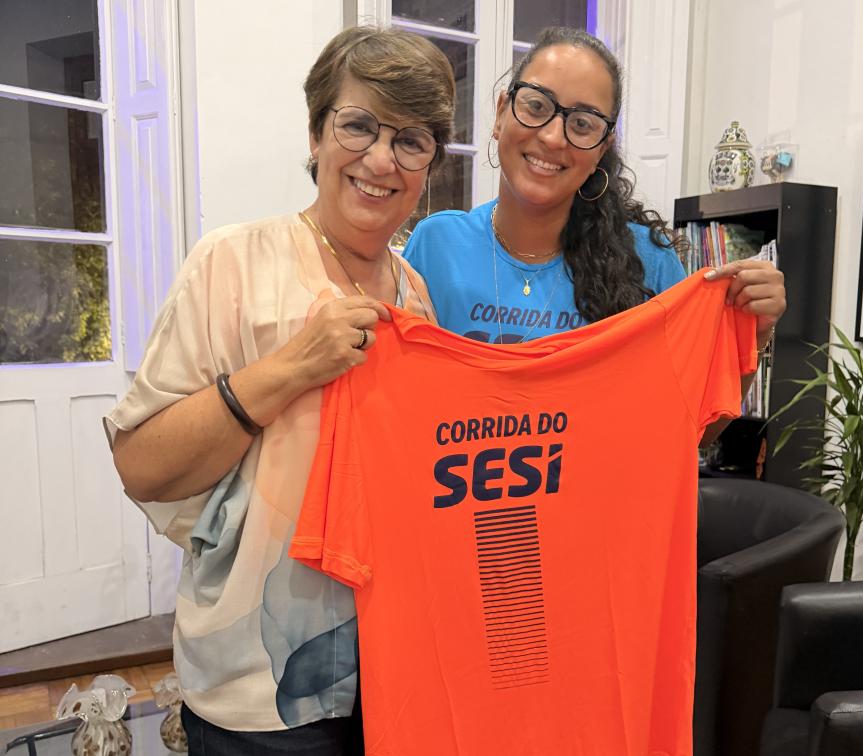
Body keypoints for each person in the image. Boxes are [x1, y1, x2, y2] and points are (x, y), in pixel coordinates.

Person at [105, 27, 454, 755]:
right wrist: (293, 366)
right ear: (317, 133)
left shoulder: (417, 297)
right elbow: (142, 466)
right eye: (359, 125)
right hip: (256, 690)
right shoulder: (233, 264)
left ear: (429, 165)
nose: (381, 159)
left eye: (411, 140)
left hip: (396, 675)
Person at [404, 26, 786, 441]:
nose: (553, 136)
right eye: (536, 105)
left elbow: (695, 428)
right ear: (501, 113)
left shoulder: (647, 262)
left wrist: (754, 330)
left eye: (582, 123)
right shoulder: (436, 245)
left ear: (602, 147)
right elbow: (400, 401)